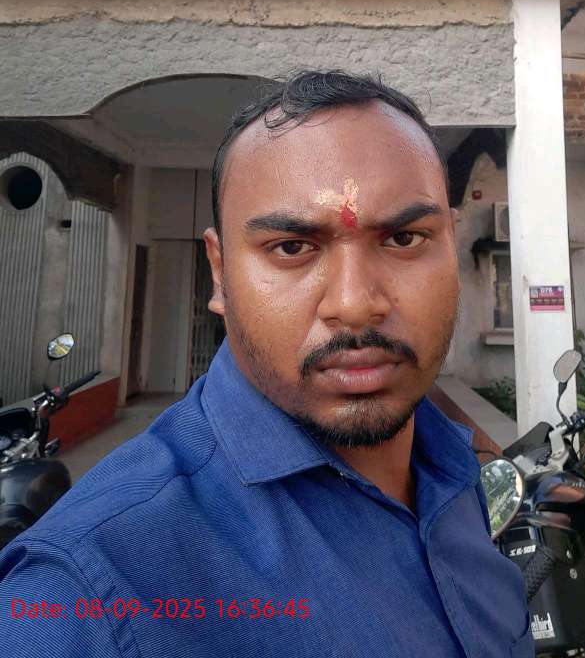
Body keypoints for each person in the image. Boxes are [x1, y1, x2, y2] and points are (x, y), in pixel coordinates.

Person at [0, 70, 533, 657]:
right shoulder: (85, 591)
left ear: (451, 245)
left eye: (404, 239)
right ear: (220, 272)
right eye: (291, 247)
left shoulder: (454, 466)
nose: (355, 304)